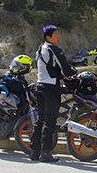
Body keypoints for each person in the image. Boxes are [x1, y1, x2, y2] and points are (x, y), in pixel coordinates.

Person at [30, 25, 76, 162]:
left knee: (40, 120)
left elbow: (50, 68)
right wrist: (74, 73)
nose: (58, 37)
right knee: (50, 121)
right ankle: (45, 152)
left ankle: (34, 151)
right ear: (48, 37)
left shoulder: (40, 49)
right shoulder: (54, 49)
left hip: (40, 86)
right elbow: (66, 69)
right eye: (56, 35)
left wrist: (62, 75)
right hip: (51, 88)